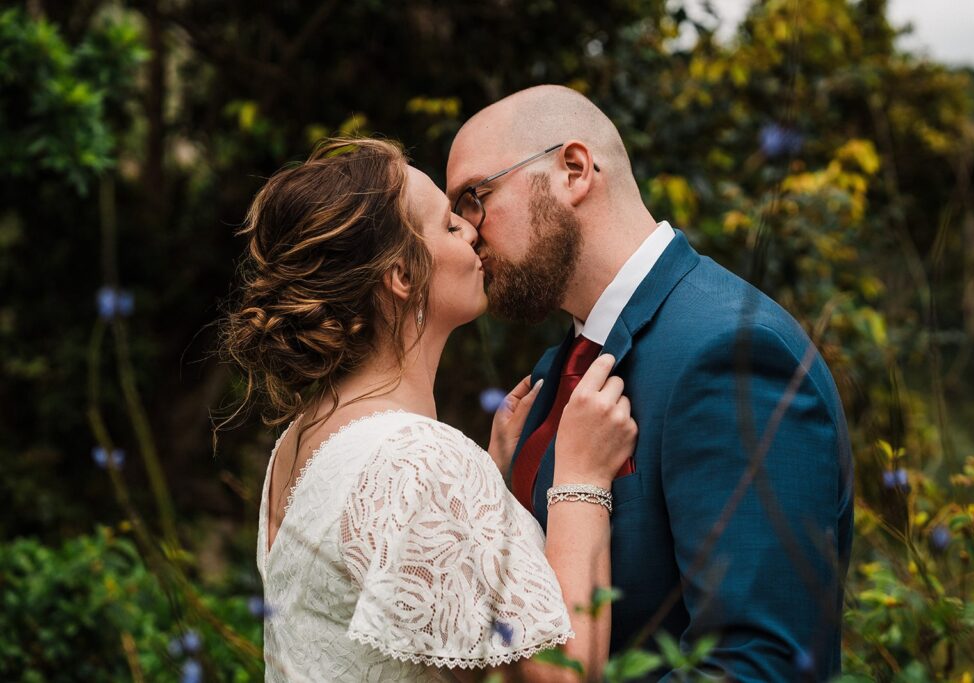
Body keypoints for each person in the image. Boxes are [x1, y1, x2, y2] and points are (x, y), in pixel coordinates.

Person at [446, 85, 854, 682]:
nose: (468, 232)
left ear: (574, 170)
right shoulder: (548, 376)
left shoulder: (735, 352)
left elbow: (759, 666)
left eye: (475, 198)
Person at [220, 137, 638, 682]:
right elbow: (562, 677)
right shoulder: (416, 459)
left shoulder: (299, 443)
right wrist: (582, 477)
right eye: (448, 224)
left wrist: (493, 488)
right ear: (402, 276)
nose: (471, 229)